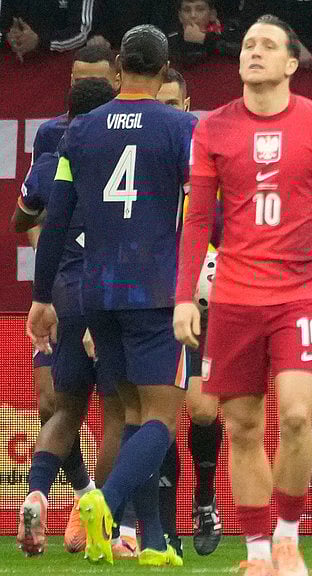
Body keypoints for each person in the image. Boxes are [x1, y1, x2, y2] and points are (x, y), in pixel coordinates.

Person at [173, 15, 312, 576]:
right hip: (234, 295)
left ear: (290, 63)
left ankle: (288, 538)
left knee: (295, 417)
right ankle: (257, 553)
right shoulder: (211, 128)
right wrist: (185, 294)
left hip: (301, 292)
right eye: (247, 46)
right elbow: (195, 223)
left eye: (267, 46)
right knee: (243, 427)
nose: (254, 53)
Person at [27, 25, 196, 567]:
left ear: (119, 64)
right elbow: (206, 211)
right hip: (155, 289)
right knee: (160, 419)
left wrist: (40, 294)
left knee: (126, 413)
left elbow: (54, 219)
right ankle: (107, 503)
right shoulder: (184, 127)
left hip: (96, 290)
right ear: (165, 69)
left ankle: (150, 543)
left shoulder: (80, 131)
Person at [11, 42, 118, 556]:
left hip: (65, 287)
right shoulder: (56, 137)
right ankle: (98, 514)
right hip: (109, 289)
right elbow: (31, 222)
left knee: (64, 406)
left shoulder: (66, 146)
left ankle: (47, 494)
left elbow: (29, 217)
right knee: (114, 410)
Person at [154, 67, 225, 558]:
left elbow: (228, 222)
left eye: (174, 103)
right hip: (150, 294)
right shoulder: (137, 158)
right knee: (158, 411)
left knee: (201, 409)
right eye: (159, 103)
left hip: (205, 296)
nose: (167, 112)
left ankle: (203, 496)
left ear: (187, 105)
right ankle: (162, 521)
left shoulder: (207, 156)